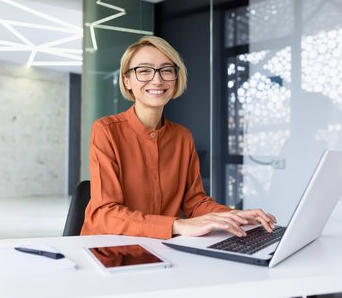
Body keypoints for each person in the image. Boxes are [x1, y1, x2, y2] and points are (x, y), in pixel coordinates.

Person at [80, 35, 276, 240]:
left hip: (162, 248)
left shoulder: (182, 137)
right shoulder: (106, 130)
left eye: (166, 70)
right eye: (144, 70)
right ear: (127, 80)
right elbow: (105, 213)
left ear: (175, 78)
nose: (157, 79)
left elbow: (195, 202)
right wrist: (177, 225)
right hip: (107, 247)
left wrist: (233, 215)